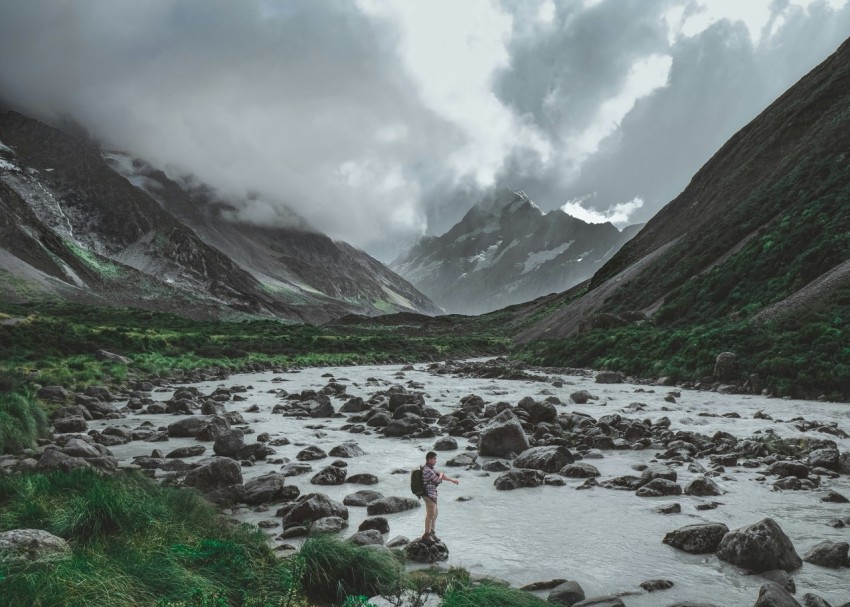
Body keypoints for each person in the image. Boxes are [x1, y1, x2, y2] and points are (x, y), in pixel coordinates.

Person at [420, 451, 458, 544]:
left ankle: (432, 533)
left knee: (435, 514)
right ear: (429, 459)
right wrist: (440, 474)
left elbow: (440, 475)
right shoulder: (427, 470)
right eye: (434, 459)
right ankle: (426, 535)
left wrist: (451, 480)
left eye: (435, 459)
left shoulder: (431, 468)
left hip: (432, 495)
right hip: (428, 495)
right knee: (430, 515)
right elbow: (437, 480)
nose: (435, 460)